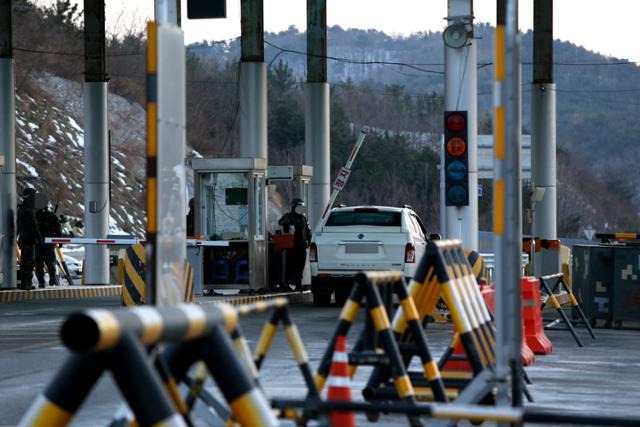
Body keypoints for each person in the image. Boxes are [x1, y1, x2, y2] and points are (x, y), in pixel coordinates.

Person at [278, 198, 311, 290]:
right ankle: (286, 284)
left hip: (302, 246)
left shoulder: (303, 218)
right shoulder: (288, 216)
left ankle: (298, 284)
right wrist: (288, 223)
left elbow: (308, 231)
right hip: (291, 246)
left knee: (300, 266)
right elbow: (281, 222)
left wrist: (309, 241)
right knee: (291, 266)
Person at [17, 188, 42, 290]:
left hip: (23, 238)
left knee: (24, 261)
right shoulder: (29, 210)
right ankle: (27, 283)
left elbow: (18, 225)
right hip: (30, 239)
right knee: (29, 262)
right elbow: (34, 227)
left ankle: (24, 283)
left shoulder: (21, 208)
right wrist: (40, 240)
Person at [35, 204, 62, 287]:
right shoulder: (52, 216)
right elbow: (58, 229)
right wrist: (60, 241)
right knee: (50, 262)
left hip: (37, 243)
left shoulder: (34, 215)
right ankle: (52, 278)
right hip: (49, 243)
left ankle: (41, 281)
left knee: (38, 264)